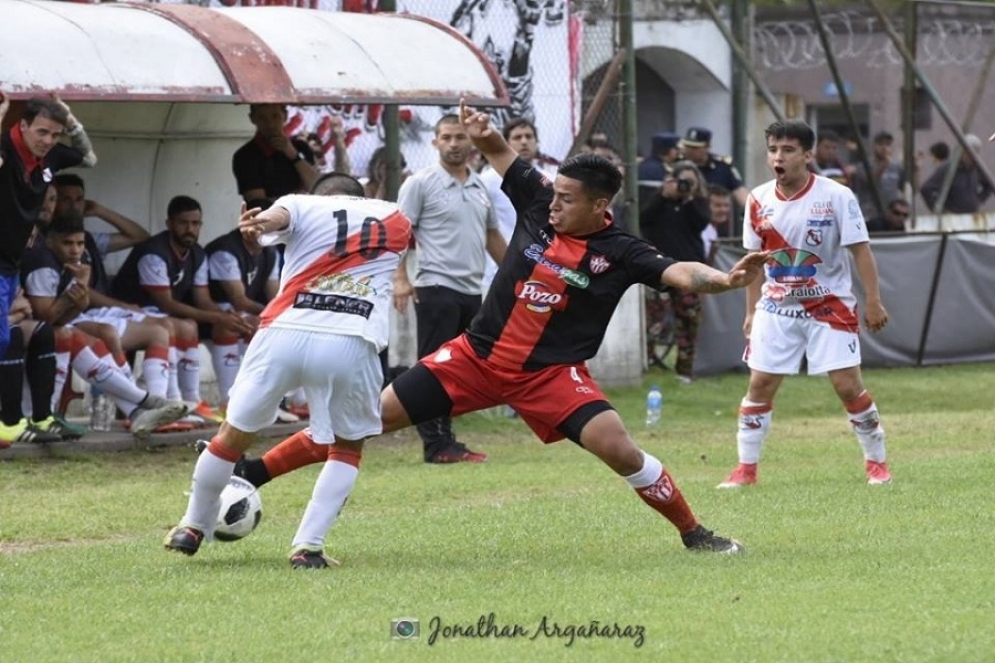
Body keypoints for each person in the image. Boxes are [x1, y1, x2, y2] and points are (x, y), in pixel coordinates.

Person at [228, 99, 770, 561]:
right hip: (473, 359)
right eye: (554, 193)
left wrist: (725, 279)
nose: (554, 203)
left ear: (599, 205)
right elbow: (501, 153)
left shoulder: (621, 251)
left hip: (549, 375)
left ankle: (694, 533)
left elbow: (680, 273)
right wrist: (484, 132)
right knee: (363, 419)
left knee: (621, 450)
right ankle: (253, 473)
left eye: (567, 199)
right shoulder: (539, 201)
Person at [163, 173, 413, 569]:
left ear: (318, 195)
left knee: (231, 437)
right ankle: (307, 548)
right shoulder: (395, 216)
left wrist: (258, 224)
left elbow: (276, 217)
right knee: (347, 447)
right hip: (351, 337)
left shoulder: (301, 203)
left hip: (284, 332)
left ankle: (191, 526)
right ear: (361, 196)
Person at [717, 119, 892, 489]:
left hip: (829, 307)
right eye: (773, 150)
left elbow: (861, 251)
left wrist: (874, 302)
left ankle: (877, 464)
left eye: (788, 150)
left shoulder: (837, 196)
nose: (778, 157)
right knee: (760, 384)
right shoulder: (757, 199)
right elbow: (753, 264)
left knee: (848, 386)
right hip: (776, 308)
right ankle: (745, 469)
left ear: (807, 155)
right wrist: (750, 312)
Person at [393, 113, 506, 464]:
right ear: (435, 142)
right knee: (434, 368)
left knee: (461, 368)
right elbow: (397, 233)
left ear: (471, 141)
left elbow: (492, 235)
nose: (454, 144)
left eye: (460, 137)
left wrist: (517, 275)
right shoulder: (420, 183)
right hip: (436, 287)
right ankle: (435, 445)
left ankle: (446, 439)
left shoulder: (480, 185)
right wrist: (400, 279)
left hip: (472, 289)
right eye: (447, 137)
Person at [21, 214, 188, 438]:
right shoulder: (44, 265)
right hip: (18, 328)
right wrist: (73, 296)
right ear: (50, 242)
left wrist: (80, 297)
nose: (75, 250)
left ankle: (139, 410)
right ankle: (147, 402)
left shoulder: (70, 264)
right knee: (67, 335)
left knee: (81, 338)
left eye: (80, 243)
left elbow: (63, 317)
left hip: (41, 328)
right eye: (67, 243)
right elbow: (47, 319)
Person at [0, 93, 96, 445]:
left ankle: (39, 416)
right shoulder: (6, 147)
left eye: (55, 135)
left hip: (9, 264)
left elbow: (89, 158)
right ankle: (7, 421)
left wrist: (70, 120)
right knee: (3, 338)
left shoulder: (49, 155)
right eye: (42, 132)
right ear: (23, 126)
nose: (48, 141)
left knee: (27, 334)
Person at [112, 195, 253, 422]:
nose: (190, 229)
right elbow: (165, 303)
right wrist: (216, 318)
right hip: (125, 310)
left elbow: (203, 299)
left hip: (158, 314)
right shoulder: (154, 253)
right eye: (183, 223)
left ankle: (191, 401)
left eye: (195, 224)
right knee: (177, 325)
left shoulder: (197, 253)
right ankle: (171, 401)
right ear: (169, 223)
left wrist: (225, 315)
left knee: (191, 325)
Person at [640, 161, 711, 383]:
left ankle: (684, 371)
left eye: (690, 182)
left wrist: (688, 198)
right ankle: (647, 363)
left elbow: (700, 223)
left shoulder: (698, 204)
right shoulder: (658, 201)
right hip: (659, 268)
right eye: (681, 181)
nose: (684, 186)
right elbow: (644, 219)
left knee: (689, 321)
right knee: (653, 319)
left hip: (688, 271)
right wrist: (664, 195)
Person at [204, 212, 280, 411]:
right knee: (253, 323)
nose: (266, 233)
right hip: (209, 313)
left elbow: (275, 297)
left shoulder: (271, 252)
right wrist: (270, 314)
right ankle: (229, 401)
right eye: (261, 227)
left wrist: (280, 315)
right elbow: (238, 300)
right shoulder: (226, 250)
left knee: (279, 326)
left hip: (240, 312)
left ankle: (265, 401)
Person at [480, 117, 556, 294]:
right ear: (506, 143)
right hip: (497, 270)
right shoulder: (487, 181)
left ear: (537, 142)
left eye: (529, 136)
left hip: (539, 270)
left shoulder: (551, 181)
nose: (524, 142)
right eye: (517, 137)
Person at [232, 104, 319, 204]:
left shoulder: (301, 147)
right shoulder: (245, 155)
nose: (270, 124)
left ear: (285, 116)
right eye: (262, 118)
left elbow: (316, 187)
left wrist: (293, 155)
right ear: (252, 119)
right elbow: (258, 203)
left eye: (275, 116)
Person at [920, 134, 993, 214]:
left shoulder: (977, 169)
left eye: (975, 152)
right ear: (961, 151)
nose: (971, 155)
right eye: (968, 152)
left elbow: (989, 185)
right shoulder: (948, 168)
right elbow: (926, 189)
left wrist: (978, 200)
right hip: (952, 217)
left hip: (971, 215)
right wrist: (940, 210)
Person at [679, 127, 749, 208]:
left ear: (707, 146)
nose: (689, 151)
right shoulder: (678, 166)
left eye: (695, 148)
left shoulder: (722, 167)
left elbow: (740, 192)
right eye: (687, 146)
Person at [850, 131, 906, 222]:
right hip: (870, 215)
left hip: (892, 216)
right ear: (874, 146)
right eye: (880, 144)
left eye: (888, 144)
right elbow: (869, 182)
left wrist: (916, 171)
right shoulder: (864, 165)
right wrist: (883, 165)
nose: (884, 148)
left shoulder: (896, 167)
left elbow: (908, 188)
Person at [637, 132, 681, 211]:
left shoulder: (646, 164)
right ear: (667, 150)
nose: (678, 152)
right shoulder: (654, 170)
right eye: (676, 149)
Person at [702, 184, 733, 265]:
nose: (723, 210)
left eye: (726, 205)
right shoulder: (701, 231)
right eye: (717, 205)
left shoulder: (712, 229)